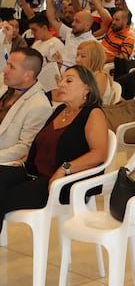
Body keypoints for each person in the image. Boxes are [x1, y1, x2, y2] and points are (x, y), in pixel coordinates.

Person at [0, 65, 110, 232]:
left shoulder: (93, 113)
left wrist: (64, 169)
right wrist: (25, 161)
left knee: (3, 196)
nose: (61, 84)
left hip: (64, 181)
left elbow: (100, 154)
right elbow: (44, 142)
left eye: (69, 81)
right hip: (36, 172)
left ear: (86, 89)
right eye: (61, 80)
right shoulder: (60, 110)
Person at [0, 48, 51, 164]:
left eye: (11, 67)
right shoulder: (5, 86)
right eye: (7, 64)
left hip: (5, 163)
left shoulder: (39, 105)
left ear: (28, 75)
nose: (5, 70)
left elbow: (24, 148)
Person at [43, 0, 96, 68]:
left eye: (77, 21)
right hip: (60, 68)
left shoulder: (92, 43)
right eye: (74, 20)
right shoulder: (69, 32)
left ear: (87, 25)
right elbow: (51, 18)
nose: (72, 24)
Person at [27, 14, 64, 93]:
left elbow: (61, 67)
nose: (32, 33)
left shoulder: (56, 43)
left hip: (49, 84)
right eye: (31, 30)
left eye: (34, 30)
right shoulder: (36, 44)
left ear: (44, 28)